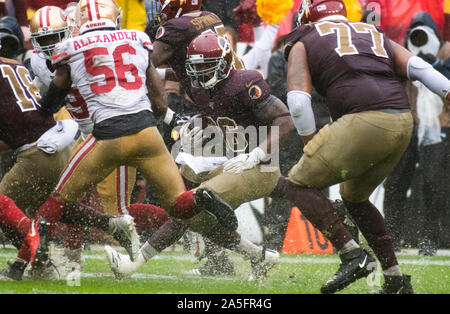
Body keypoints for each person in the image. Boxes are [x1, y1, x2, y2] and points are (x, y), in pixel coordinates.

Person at [29, 0, 236, 270]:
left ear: (75, 23)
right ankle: (200, 199)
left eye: (55, 36)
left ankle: (33, 257)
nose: (50, 43)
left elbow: (53, 98)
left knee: (77, 204)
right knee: (173, 203)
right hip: (130, 130)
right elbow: (154, 94)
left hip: (107, 135)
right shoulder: (133, 39)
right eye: (44, 38)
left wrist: (43, 110)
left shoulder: (73, 48)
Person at [280, 0, 450, 294]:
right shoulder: (372, 32)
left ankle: (352, 255)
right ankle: (396, 280)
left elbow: (297, 102)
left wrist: (310, 143)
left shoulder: (304, 38)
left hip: (365, 121)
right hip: (401, 121)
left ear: (307, 15)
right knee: (354, 197)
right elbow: (419, 68)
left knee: (296, 184)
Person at [104, 32, 294, 281]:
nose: (200, 73)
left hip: (260, 167)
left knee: (189, 206)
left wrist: (258, 154)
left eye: (206, 66)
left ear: (224, 64)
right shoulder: (200, 88)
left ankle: (131, 264)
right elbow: (217, 113)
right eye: (195, 67)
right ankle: (260, 256)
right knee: (194, 218)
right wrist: (196, 122)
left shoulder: (245, 83)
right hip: (229, 162)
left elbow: (285, 119)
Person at [0, 53, 76, 280]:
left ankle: (41, 263)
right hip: (55, 145)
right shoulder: (14, 64)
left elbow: (16, 133)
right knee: (50, 210)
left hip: (39, 152)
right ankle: (110, 223)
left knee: (5, 211)